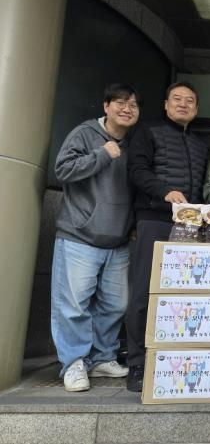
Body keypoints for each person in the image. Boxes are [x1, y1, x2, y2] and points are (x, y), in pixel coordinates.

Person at [51, 83, 140, 391]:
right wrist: (102, 154)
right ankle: (73, 362)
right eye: (121, 103)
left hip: (118, 239)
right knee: (73, 305)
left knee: (115, 305)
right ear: (106, 106)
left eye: (133, 105)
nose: (127, 109)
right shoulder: (84, 134)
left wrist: (132, 224)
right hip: (79, 235)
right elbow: (63, 170)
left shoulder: (134, 143)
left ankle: (102, 357)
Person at [126, 81, 208, 392]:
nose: (183, 104)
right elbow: (137, 170)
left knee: (181, 295)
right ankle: (137, 364)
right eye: (177, 99)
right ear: (165, 104)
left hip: (190, 226)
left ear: (196, 108)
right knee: (144, 292)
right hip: (154, 219)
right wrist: (164, 191)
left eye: (189, 100)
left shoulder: (199, 144)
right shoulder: (148, 131)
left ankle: (171, 356)